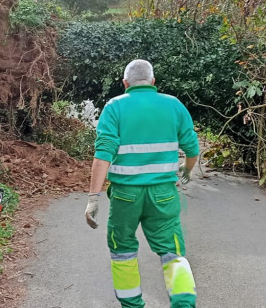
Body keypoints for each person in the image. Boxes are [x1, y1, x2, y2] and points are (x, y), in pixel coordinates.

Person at [85, 59, 199, 308]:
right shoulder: (173, 105)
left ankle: (133, 306)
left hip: (125, 195)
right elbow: (192, 147)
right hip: (163, 195)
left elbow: (103, 153)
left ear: (125, 83)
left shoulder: (114, 107)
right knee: (173, 254)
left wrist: (93, 198)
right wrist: (187, 169)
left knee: (122, 251)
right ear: (153, 82)